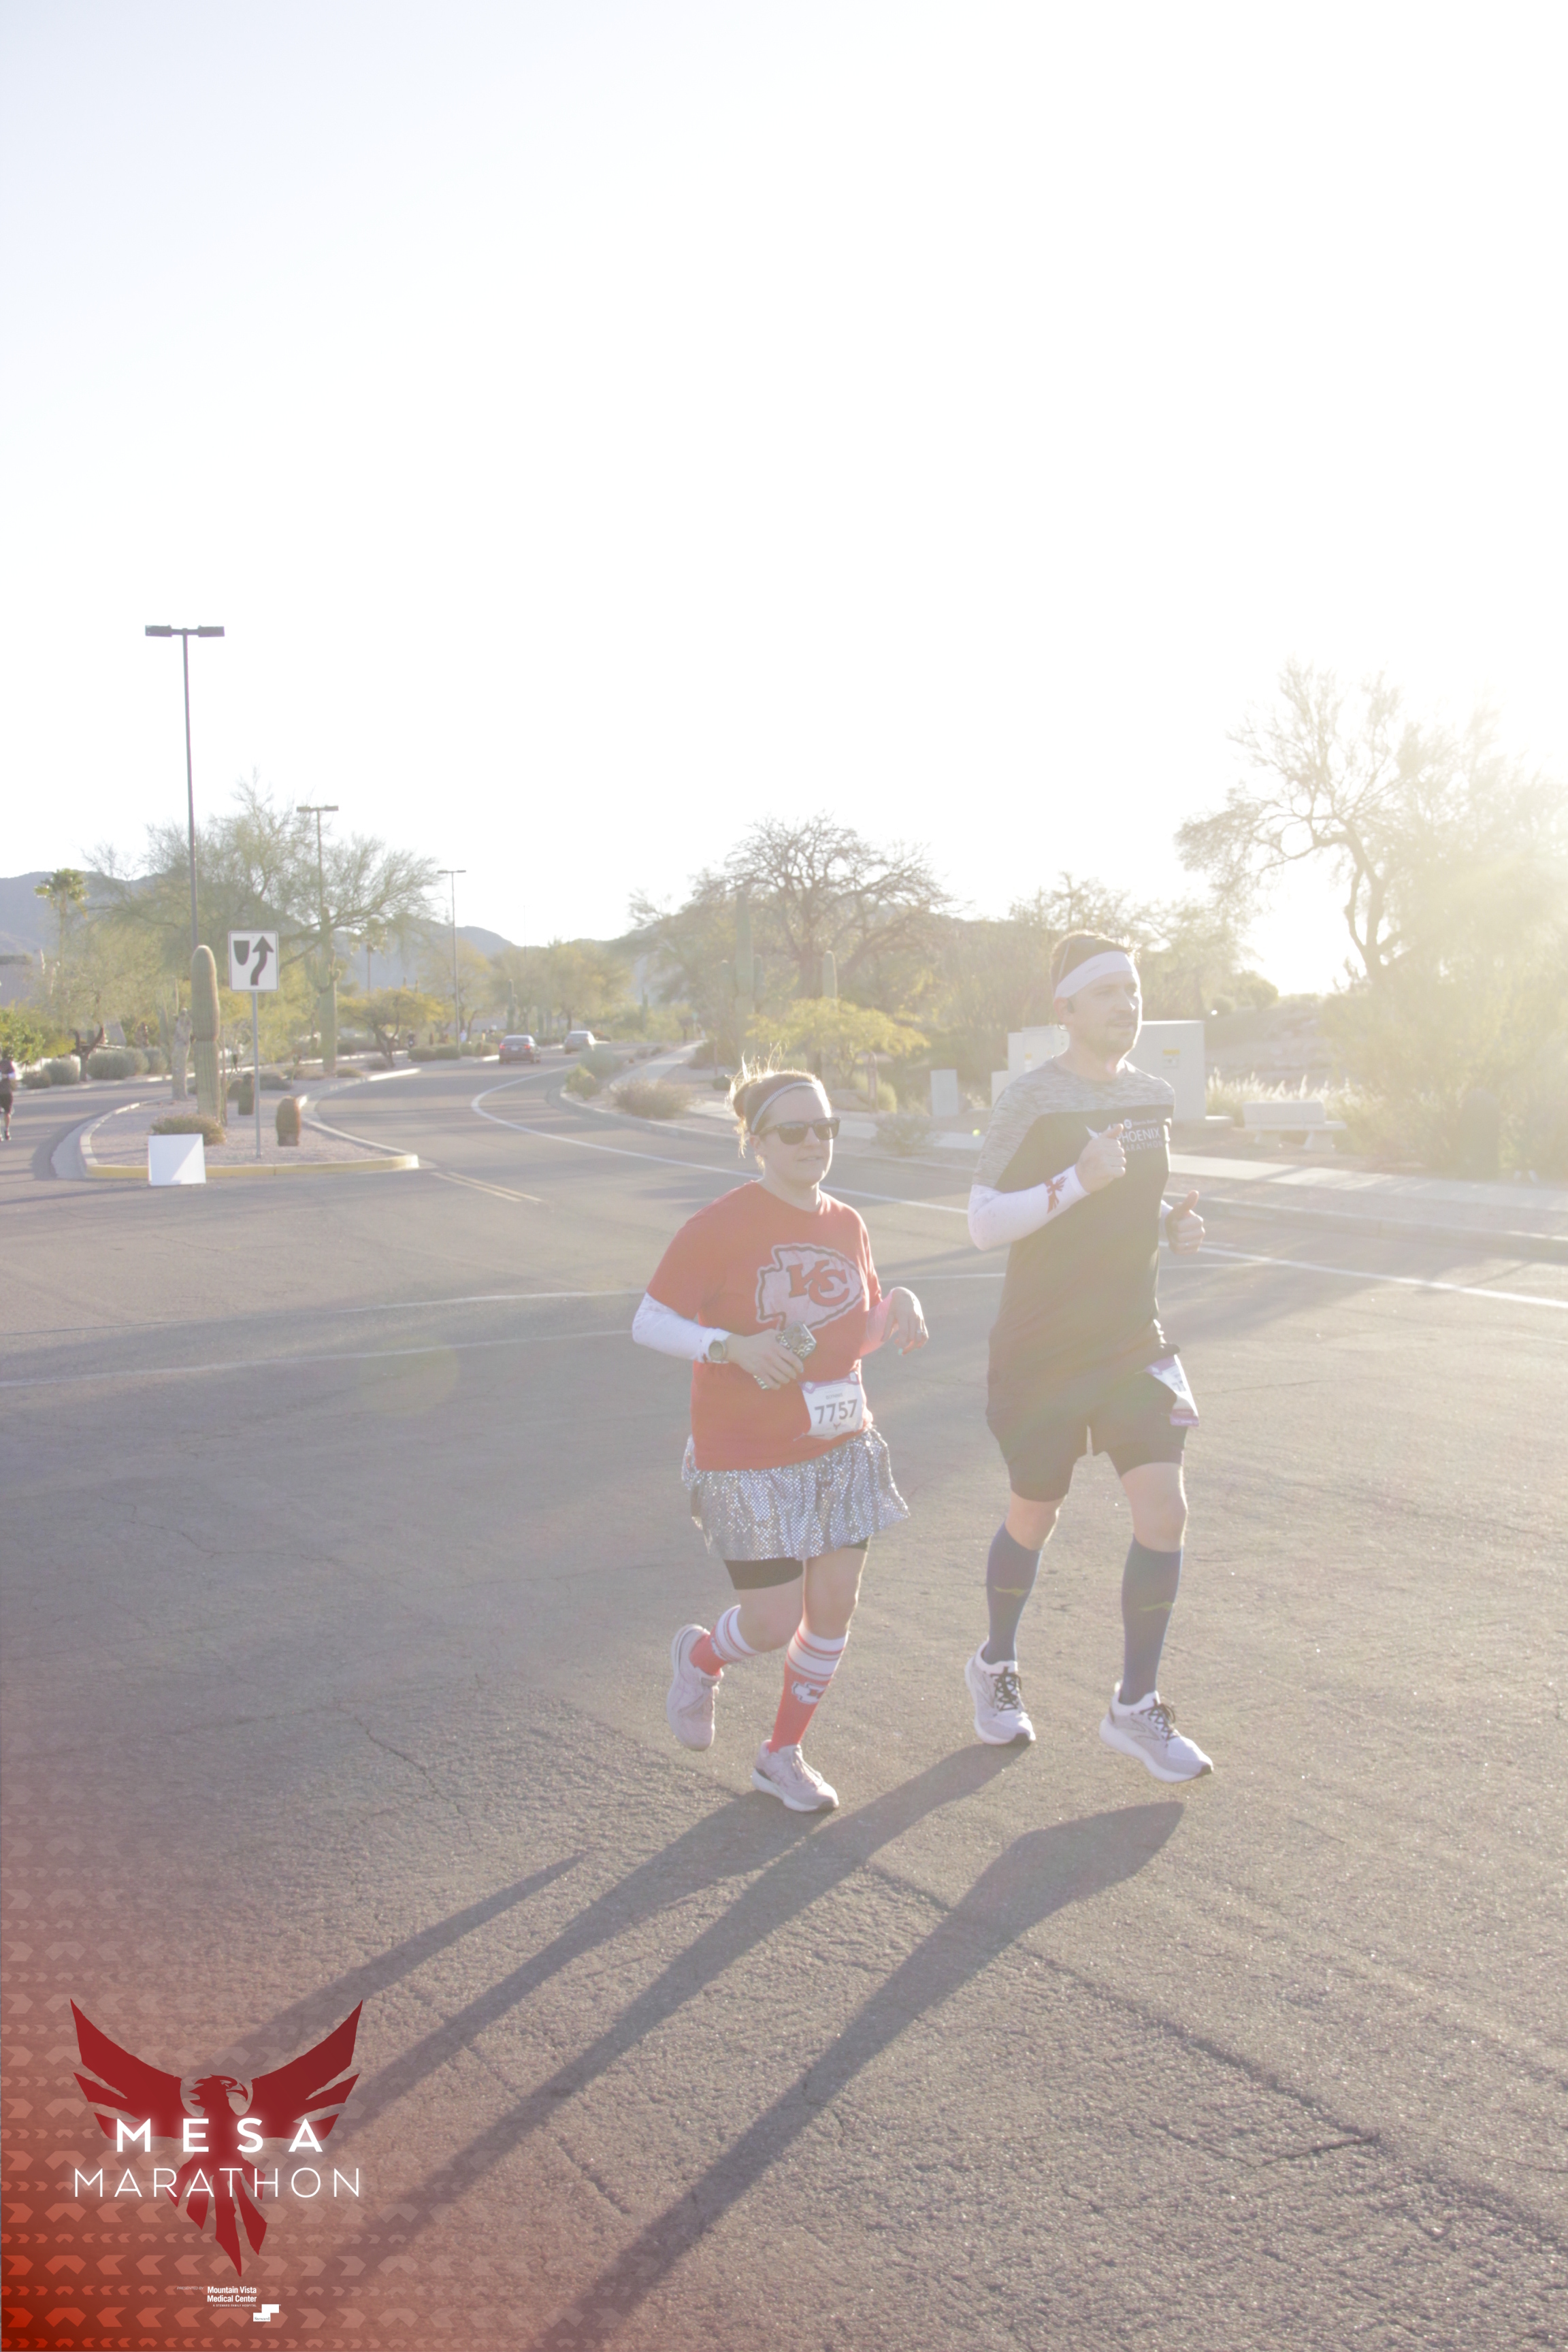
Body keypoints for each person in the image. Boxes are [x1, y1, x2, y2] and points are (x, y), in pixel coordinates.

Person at [634, 1063, 928, 1812]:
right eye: (794, 1130)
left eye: (825, 1128)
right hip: (748, 1458)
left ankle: (782, 1754)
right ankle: (702, 1658)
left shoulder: (847, 1223)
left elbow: (850, 1334)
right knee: (773, 1623)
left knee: (833, 1609)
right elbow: (649, 1321)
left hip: (839, 1447)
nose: (813, 1142)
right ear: (757, 1141)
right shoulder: (719, 1226)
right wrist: (729, 1346)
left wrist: (897, 1304)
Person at [964, 932, 1212, 1782]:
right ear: (1065, 1009)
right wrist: (1076, 1182)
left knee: (1165, 1511)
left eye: (1133, 992)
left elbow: (1135, 1196)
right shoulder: (1030, 1100)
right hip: (1042, 1351)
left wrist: (1172, 1223)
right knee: (1035, 1513)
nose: (1125, 1006)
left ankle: (1134, 1706)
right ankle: (995, 1662)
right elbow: (983, 1221)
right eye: (1107, 992)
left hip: (1132, 1340)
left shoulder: (1152, 1095)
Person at [0, 1048, 16, 1142]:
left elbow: (14, 1075)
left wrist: (6, 1076)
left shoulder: (6, 1063)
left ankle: (6, 1130)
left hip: (6, 1092)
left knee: (7, 1113)